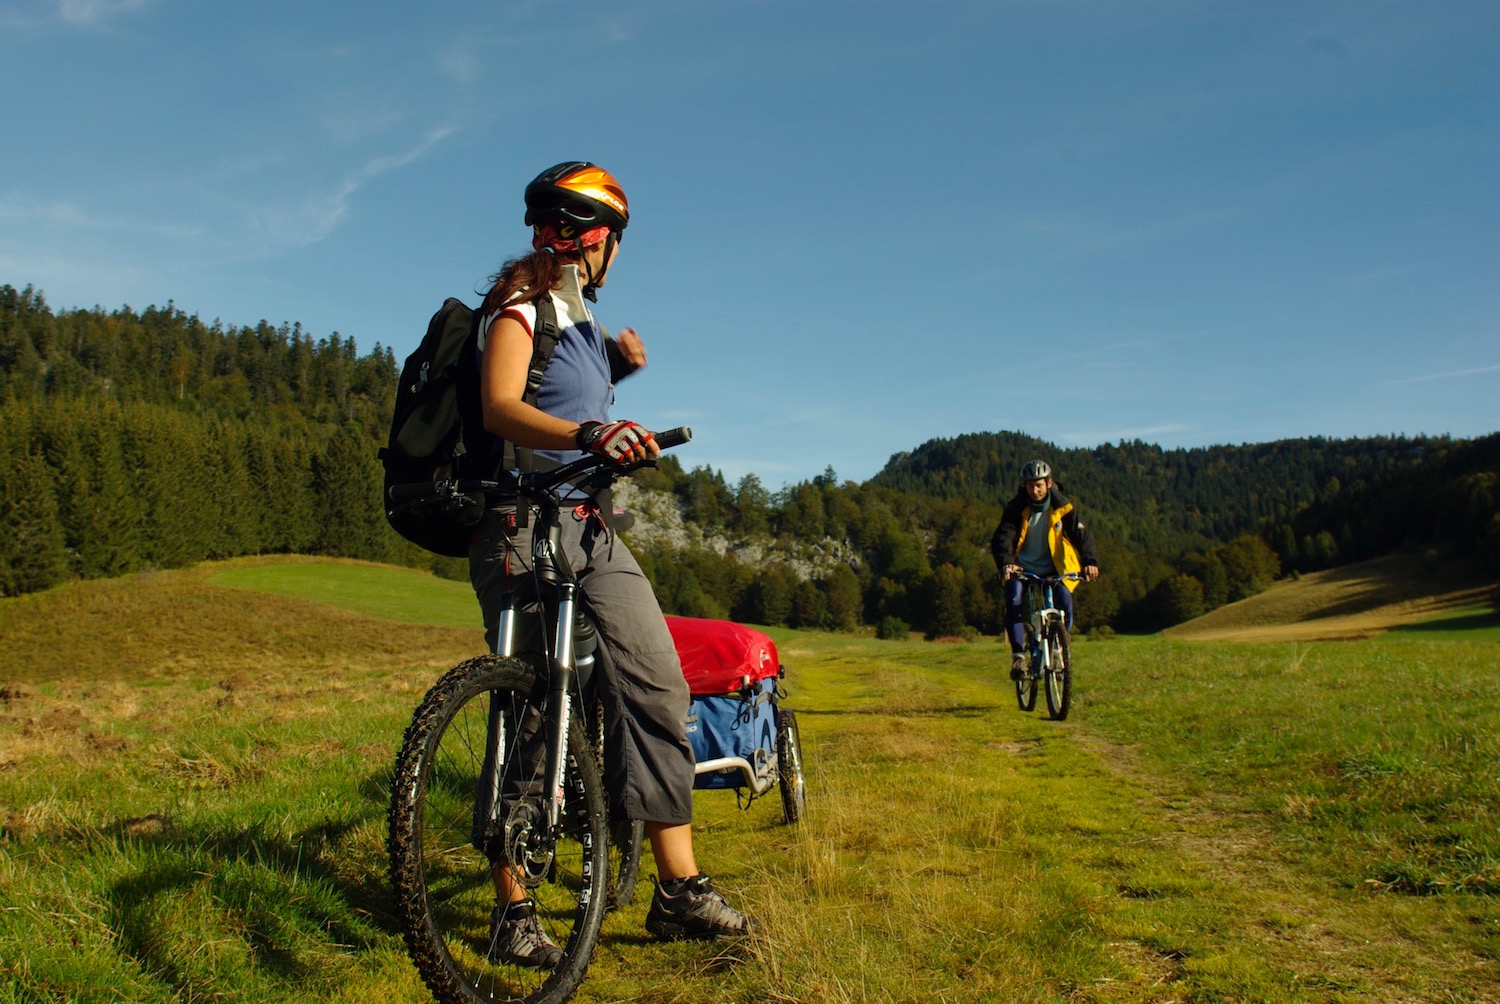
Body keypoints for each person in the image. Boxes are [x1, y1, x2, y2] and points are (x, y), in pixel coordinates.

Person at [466, 162, 751, 966]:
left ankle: (677, 890)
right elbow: (501, 407)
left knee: (656, 681)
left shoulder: (580, 323)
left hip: (591, 528)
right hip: (522, 523)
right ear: (597, 239)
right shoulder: (519, 308)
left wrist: (615, 380)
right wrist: (593, 434)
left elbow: (564, 400)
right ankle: (515, 907)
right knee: (530, 709)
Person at [989, 459, 1101, 679]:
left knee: (1064, 602)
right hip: (1021, 567)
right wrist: (1006, 562)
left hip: (1055, 567)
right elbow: (1003, 537)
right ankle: (1019, 658)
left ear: (1049, 483)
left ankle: (1059, 650)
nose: (1034, 490)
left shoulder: (1063, 507)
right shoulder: (1016, 508)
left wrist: (1090, 561)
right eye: (1030, 485)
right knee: (1014, 598)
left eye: (1039, 485)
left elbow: (1081, 534)